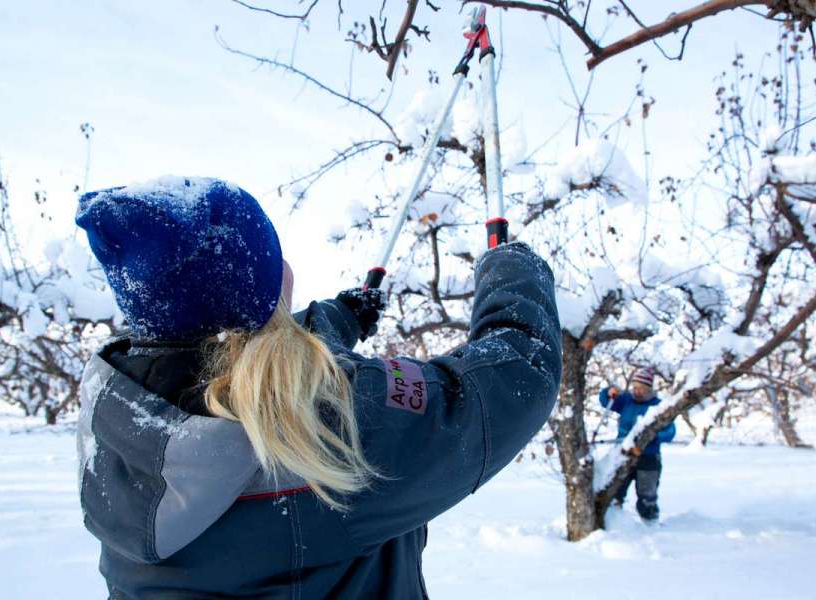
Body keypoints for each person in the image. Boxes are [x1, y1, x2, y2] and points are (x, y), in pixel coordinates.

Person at [74, 176, 562, 599]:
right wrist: (512, 269)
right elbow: (518, 372)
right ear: (257, 291)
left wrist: (341, 314)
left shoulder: (121, 410)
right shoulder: (330, 427)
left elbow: (243, 356)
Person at [599, 366, 675, 522]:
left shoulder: (658, 406)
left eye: (642, 388)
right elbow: (605, 400)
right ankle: (615, 521)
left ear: (649, 389)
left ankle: (650, 524)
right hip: (623, 454)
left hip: (649, 457)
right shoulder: (626, 400)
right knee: (615, 490)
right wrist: (608, 392)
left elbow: (670, 432)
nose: (637, 391)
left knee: (647, 494)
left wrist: (653, 436)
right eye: (635, 387)